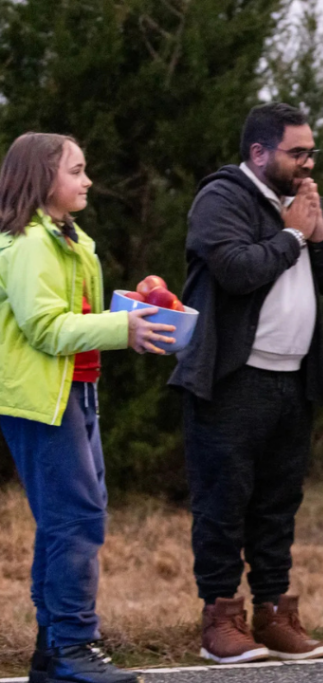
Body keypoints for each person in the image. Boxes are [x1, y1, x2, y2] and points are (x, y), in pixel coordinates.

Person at [168, 103, 323, 663]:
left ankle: (275, 614)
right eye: (297, 152)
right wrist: (294, 236)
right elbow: (237, 270)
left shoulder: (296, 205)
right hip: (232, 380)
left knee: (278, 505)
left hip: (292, 381)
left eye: (311, 152)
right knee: (223, 504)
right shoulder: (220, 198)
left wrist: (317, 236)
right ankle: (221, 620)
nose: (308, 162)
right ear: (258, 154)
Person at [0, 133, 175, 683]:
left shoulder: (71, 240)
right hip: (41, 402)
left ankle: (55, 652)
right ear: (43, 178)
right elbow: (46, 327)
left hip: (74, 393)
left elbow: (74, 317)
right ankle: (73, 648)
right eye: (77, 171)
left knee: (67, 522)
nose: (88, 180)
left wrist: (134, 308)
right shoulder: (30, 244)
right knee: (76, 520)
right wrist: (123, 326)